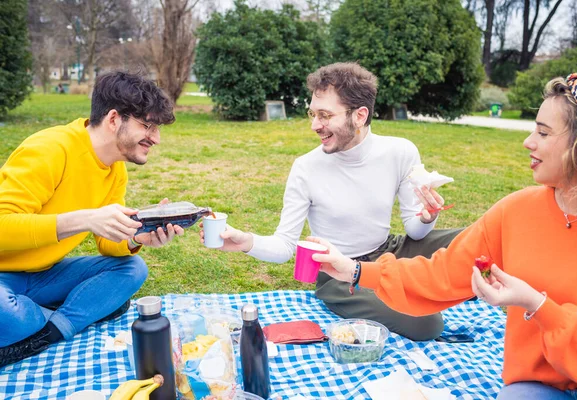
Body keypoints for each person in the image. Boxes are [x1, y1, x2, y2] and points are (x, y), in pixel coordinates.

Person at [309, 72, 577, 399]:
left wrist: (535, 304)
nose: (528, 141)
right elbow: (441, 274)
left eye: (543, 133)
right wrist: (355, 270)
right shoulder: (516, 211)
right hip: (540, 385)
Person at [201, 62, 462, 340]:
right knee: (427, 323)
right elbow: (286, 245)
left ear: (360, 115)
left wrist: (427, 216)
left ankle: (436, 283)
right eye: (313, 114)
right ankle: (432, 287)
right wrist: (247, 242)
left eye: (325, 115)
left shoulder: (400, 151)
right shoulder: (306, 167)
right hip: (338, 273)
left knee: (477, 240)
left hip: (389, 251)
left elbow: (415, 231)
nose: (315, 125)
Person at [0, 71, 184, 368]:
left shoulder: (114, 170)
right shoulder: (50, 149)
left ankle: (49, 331)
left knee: (132, 268)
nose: (156, 138)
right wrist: (84, 219)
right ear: (114, 119)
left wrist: (136, 237)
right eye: (148, 125)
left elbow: (106, 243)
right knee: (5, 314)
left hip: (43, 275)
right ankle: (70, 310)